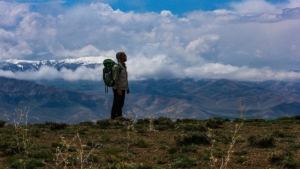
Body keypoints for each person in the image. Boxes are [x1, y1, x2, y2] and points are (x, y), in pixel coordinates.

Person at [111, 51, 130, 119]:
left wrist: (127, 87)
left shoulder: (123, 66)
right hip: (118, 88)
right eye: (124, 55)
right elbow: (116, 78)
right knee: (116, 104)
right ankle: (113, 119)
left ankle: (119, 118)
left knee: (120, 104)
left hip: (122, 88)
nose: (125, 56)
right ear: (119, 57)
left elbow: (124, 78)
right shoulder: (117, 66)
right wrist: (118, 89)